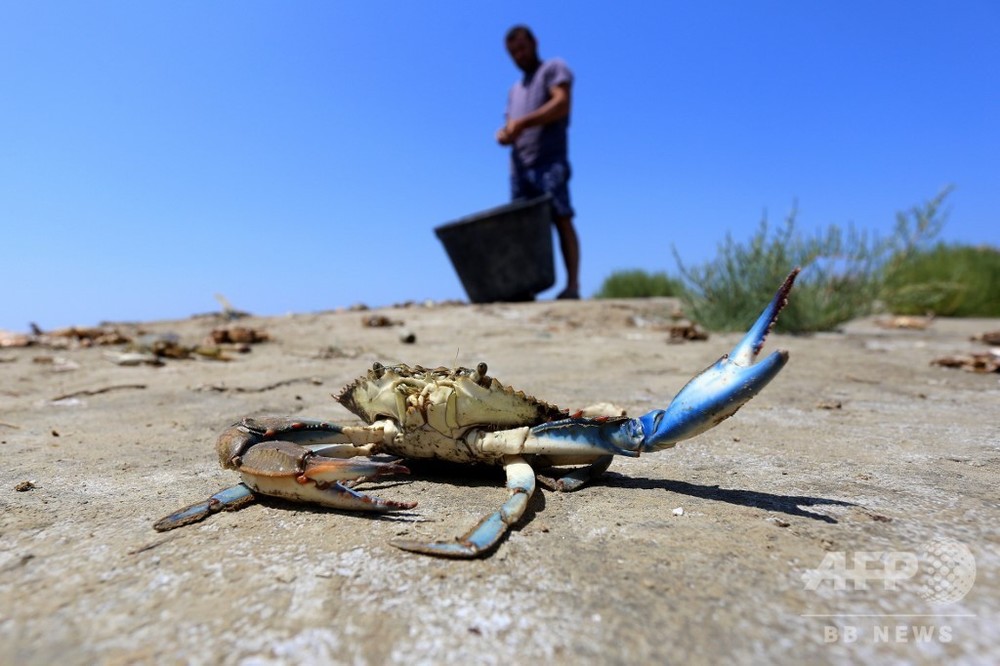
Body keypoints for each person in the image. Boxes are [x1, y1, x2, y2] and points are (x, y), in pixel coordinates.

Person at [496, 25, 580, 300]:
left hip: (549, 161)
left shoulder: (554, 68)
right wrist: (505, 133)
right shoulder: (514, 90)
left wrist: (523, 123)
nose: (519, 55)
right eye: (513, 52)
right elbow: (509, 125)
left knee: (561, 217)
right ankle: (525, 288)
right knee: (522, 229)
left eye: (522, 47)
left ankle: (572, 286)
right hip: (520, 167)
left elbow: (562, 104)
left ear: (534, 43)